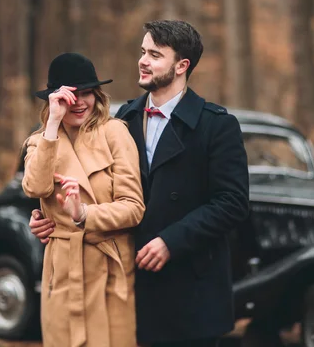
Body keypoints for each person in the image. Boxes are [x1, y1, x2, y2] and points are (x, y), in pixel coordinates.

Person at [30, 20, 249, 347]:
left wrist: (171, 241)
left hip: (190, 289)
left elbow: (232, 203)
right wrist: (45, 217)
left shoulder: (217, 125)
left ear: (181, 66)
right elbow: (86, 182)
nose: (143, 61)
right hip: (133, 288)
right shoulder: (123, 120)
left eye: (155, 55)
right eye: (142, 52)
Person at [22, 52, 145, 347]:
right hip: (62, 268)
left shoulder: (114, 133)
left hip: (109, 268)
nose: (79, 102)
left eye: (86, 93)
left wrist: (84, 214)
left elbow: (134, 207)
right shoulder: (39, 142)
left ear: (97, 95)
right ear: (53, 100)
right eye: (68, 96)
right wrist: (52, 125)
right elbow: (35, 188)